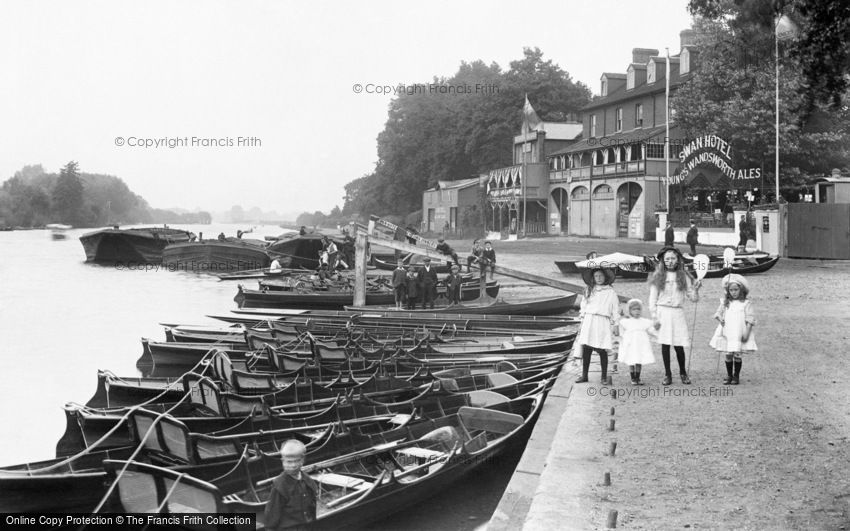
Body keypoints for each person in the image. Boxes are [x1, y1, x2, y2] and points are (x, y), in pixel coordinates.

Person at [648, 246, 702, 385]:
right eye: (667, 259)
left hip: (677, 312)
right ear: (663, 261)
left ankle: (683, 372)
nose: (670, 261)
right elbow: (652, 299)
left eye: (673, 258)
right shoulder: (658, 276)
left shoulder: (684, 276)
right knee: (665, 345)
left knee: (679, 345)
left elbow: (693, 298)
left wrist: (696, 290)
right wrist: (654, 317)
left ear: (678, 260)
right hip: (662, 312)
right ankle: (667, 374)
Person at [575, 267, 620, 384]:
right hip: (589, 320)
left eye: (601, 276)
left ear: (605, 277)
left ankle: (604, 377)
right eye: (596, 276)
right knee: (586, 348)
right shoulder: (589, 290)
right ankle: (584, 375)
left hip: (602, 321)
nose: (599, 278)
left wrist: (616, 324)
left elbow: (615, 309)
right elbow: (583, 306)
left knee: (601, 349)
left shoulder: (610, 292)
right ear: (593, 278)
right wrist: (582, 321)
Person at [709, 274, 757, 385]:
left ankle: (736, 376)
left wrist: (747, 332)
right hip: (728, 332)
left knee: (737, 354)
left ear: (741, 289)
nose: (733, 292)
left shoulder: (745, 303)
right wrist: (720, 318)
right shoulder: (725, 303)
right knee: (728, 353)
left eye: (736, 289)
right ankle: (729, 375)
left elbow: (750, 318)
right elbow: (718, 313)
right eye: (731, 290)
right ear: (728, 291)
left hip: (739, 332)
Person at [263, 439, 317, 531]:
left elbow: (312, 507)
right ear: (282, 461)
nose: (293, 465)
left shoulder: (308, 481)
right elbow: (271, 517)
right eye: (289, 462)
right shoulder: (279, 486)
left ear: (303, 460)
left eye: (296, 461)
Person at [618, 299, 657, 386]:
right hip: (631, 344)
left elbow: (651, 330)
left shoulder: (644, 322)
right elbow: (620, 329)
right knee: (631, 360)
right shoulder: (626, 322)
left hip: (640, 344)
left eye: (638, 309)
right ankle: (633, 378)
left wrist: (656, 329)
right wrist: (622, 338)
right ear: (630, 311)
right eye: (634, 309)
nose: (637, 311)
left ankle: (638, 377)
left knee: (639, 359)